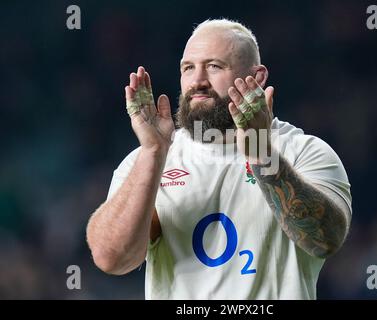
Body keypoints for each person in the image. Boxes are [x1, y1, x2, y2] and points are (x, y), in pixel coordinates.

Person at [86, 18, 352, 300]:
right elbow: (112, 258)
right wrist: (153, 153)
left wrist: (262, 154)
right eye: (188, 68)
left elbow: (325, 241)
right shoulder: (150, 160)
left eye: (214, 66)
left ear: (258, 77)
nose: (198, 81)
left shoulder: (303, 151)